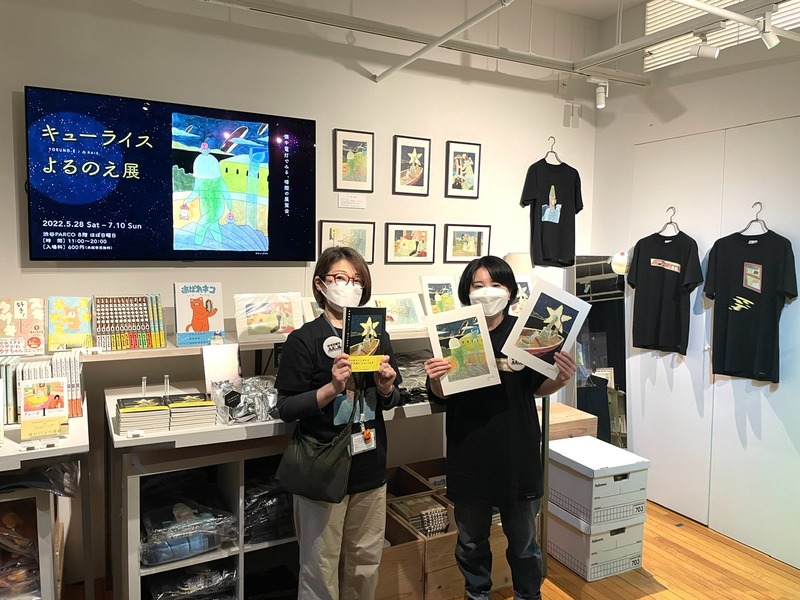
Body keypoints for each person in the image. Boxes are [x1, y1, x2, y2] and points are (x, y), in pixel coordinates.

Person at [423, 255, 577, 600]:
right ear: (467, 291)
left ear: (509, 291)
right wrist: (434, 378)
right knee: (470, 543)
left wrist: (561, 378)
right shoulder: (453, 331)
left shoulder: (526, 333)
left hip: (517, 452)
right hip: (469, 452)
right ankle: (477, 595)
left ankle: (528, 595)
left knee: (524, 544)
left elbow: (537, 387)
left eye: (495, 285)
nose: (486, 292)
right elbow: (442, 394)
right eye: (478, 285)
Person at [275, 246, 401, 599]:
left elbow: (393, 399)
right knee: (320, 568)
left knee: (365, 564)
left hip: (370, 467)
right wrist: (332, 388)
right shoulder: (304, 339)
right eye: (340, 278)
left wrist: (386, 386)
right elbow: (286, 407)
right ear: (321, 284)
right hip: (323, 469)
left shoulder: (376, 335)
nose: (350, 285)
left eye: (357, 280)